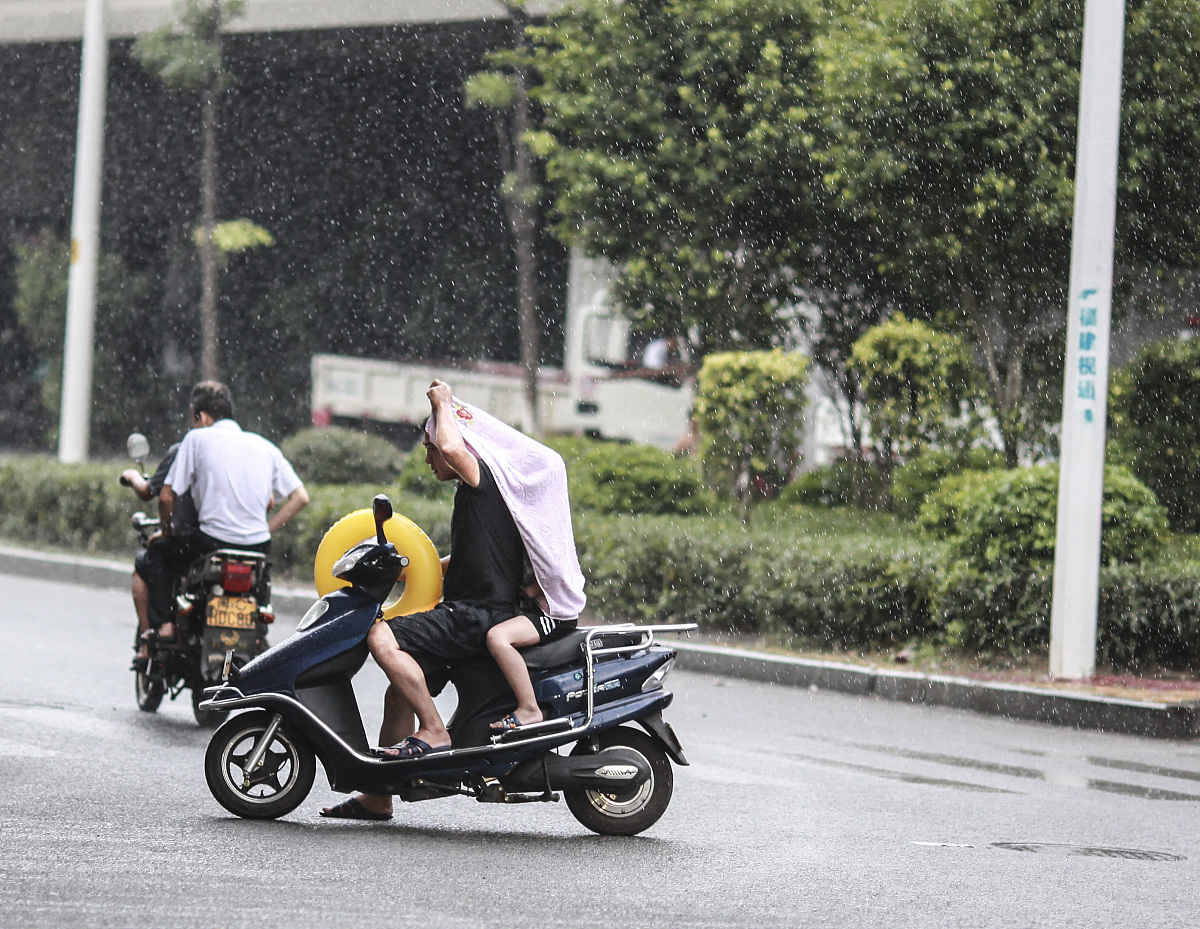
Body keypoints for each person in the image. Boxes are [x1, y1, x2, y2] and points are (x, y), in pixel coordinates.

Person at [321, 379, 584, 821]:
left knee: (379, 636)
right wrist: (404, 566)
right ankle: (378, 794)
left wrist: (443, 404)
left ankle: (435, 731)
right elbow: (464, 558)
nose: (428, 457)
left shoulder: (483, 482)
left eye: (430, 449)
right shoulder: (483, 497)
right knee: (399, 692)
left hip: (474, 616)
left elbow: (452, 444)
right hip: (472, 613)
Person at [143, 381, 309, 640]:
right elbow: (301, 497)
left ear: (203, 416)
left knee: (157, 552)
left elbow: (166, 497)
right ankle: (257, 628)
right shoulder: (266, 446)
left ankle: (163, 626)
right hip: (257, 547)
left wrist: (166, 532)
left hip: (211, 544)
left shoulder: (196, 438)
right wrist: (265, 530)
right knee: (259, 583)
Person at [122, 438, 200, 662]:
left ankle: (156, 632)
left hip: (195, 542)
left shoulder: (185, 450)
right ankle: (257, 638)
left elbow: (159, 495)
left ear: (202, 417)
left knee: (149, 556)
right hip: (242, 544)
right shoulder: (240, 451)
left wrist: (132, 476)